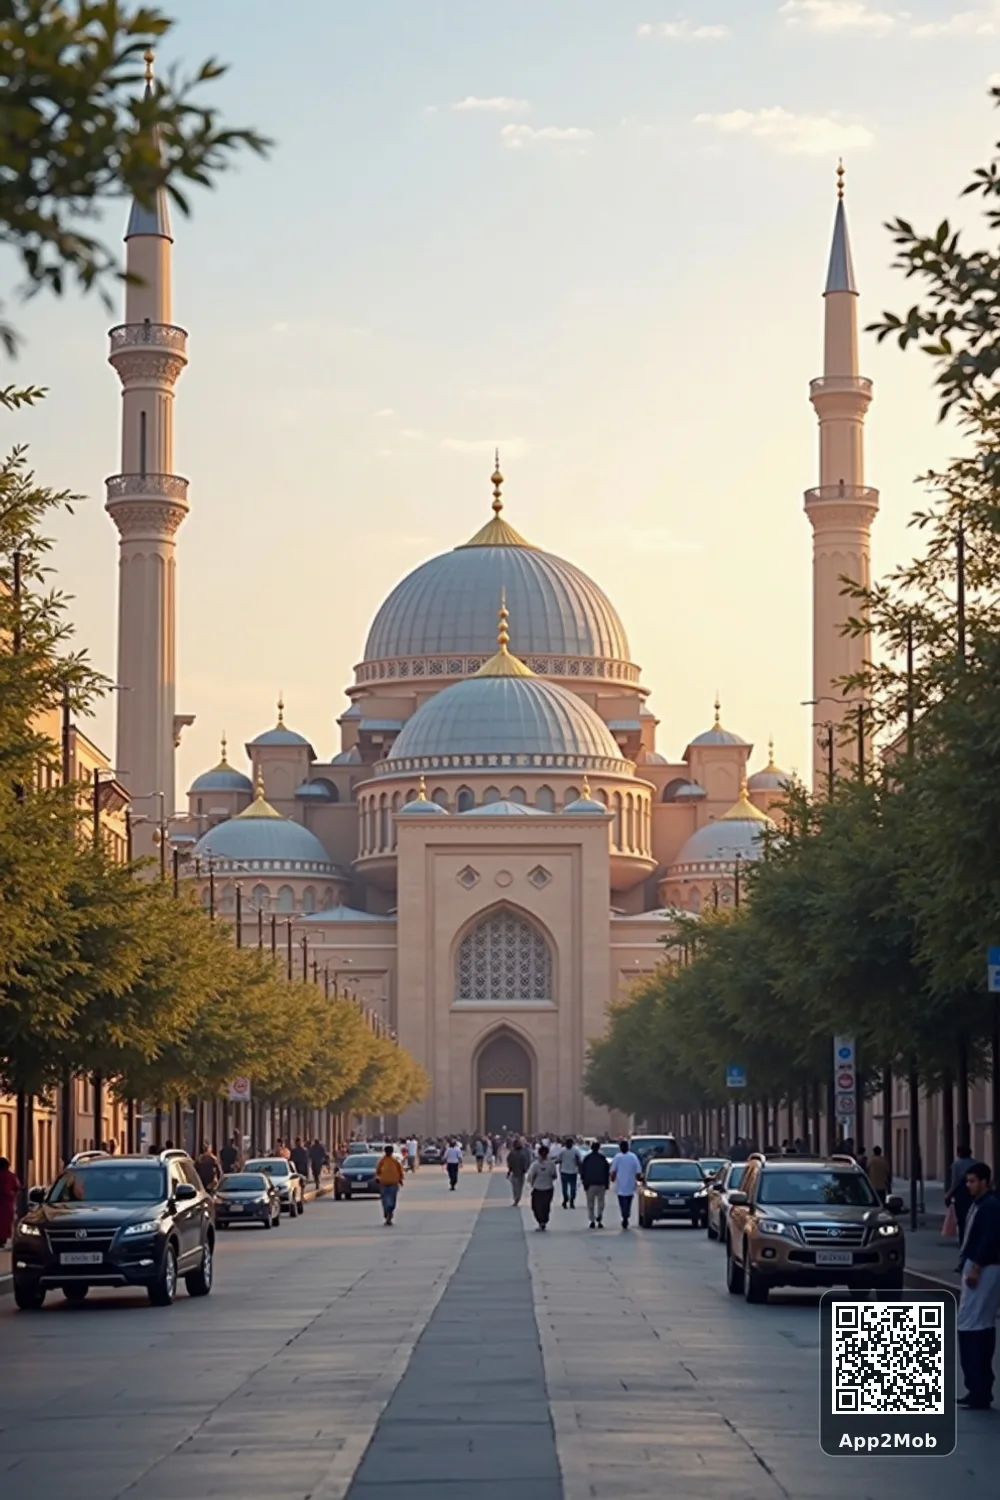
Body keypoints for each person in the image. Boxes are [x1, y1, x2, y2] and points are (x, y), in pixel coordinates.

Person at [957, 1161, 1000, 1409]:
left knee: (971, 1324)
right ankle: (979, 1387)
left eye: (973, 1181)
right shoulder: (980, 1204)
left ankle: (978, 1386)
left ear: (985, 1181)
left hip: (983, 1267)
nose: (969, 1186)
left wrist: (976, 1266)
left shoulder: (991, 1206)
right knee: (979, 1322)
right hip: (976, 1264)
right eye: (967, 1181)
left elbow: (991, 1238)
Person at [610, 1138, 642, 1229]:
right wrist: (638, 1179)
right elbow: (638, 1171)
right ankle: (626, 1215)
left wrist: (612, 1179)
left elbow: (613, 1171)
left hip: (621, 1184)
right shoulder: (633, 1157)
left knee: (622, 1201)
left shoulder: (618, 1157)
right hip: (630, 1184)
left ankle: (625, 1215)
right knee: (628, 1201)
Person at [527, 1143, 558, 1231]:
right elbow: (554, 1176)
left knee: (536, 1207)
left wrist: (531, 1184)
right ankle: (544, 1220)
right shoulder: (551, 1164)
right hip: (548, 1188)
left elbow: (531, 1176)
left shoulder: (535, 1165)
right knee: (546, 1206)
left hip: (538, 1189)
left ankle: (541, 1221)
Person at [947, 1143, 975, 1240]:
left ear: (958, 1153)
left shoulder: (956, 1165)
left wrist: (948, 1194)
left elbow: (955, 1182)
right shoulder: (975, 1163)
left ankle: (964, 1239)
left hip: (961, 1194)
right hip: (973, 1193)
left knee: (962, 1219)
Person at [580, 1140, 610, 1229]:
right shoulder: (602, 1158)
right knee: (601, 1203)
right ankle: (599, 1217)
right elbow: (606, 1171)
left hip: (590, 1184)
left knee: (590, 1204)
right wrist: (607, 1183)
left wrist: (584, 1182)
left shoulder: (587, 1158)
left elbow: (583, 1171)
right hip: (601, 1183)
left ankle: (592, 1220)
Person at [375, 1142, 404, 1225]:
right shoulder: (382, 1161)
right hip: (384, 1183)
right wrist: (377, 1178)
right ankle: (387, 1213)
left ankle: (389, 1213)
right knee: (385, 1200)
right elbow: (377, 1171)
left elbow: (400, 1171)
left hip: (393, 1183)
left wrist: (400, 1180)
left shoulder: (395, 1161)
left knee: (392, 1201)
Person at [0, 1156, 21, 1250]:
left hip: (5, 1202)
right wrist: (13, 1194)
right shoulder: (11, 1176)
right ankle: (3, 1240)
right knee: (6, 1223)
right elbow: (17, 1187)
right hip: (8, 1203)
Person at [506, 1136, 531, 1206]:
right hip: (520, 1174)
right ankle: (517, 1198)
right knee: (519, 1187)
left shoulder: (511, 1153)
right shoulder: (523, 1154)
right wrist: (525, 1169)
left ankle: (516, 1197)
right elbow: (526, 1162)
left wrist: (509, 1170)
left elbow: (509, 1162)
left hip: (514, 1173)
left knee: (514, 1187)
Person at [558, 1136, 581, 1209]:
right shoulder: (563, 1151)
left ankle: (570, 1200)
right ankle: (567, 1199)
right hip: (566, 1171)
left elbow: (578, 1161)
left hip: (571, 1171)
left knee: (571, 1188)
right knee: (567, 1188)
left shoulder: (574, 1151)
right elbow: (559, 1160)